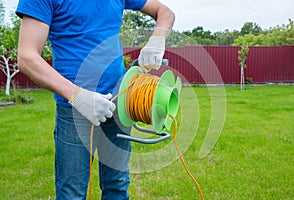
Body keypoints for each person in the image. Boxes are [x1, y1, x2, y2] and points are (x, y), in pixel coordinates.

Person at [16, 0, 175, 199]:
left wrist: (158, 37)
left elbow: (165, 11)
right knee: (72, 192)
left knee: (117, 185)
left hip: (119, 105)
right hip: (75, 110)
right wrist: (78, 96)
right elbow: (27, 57)